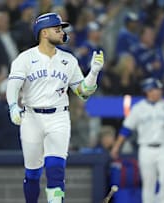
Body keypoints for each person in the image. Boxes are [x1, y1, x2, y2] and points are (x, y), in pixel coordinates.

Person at [6, 12, 104, 203]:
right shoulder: (25, 58)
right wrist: (12, 106)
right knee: (33, 172)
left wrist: (93, 73)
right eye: (57, 29)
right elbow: (13, 85)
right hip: (32, 117)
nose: (62, 33)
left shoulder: (69, 60)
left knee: (56, 169)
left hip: (58, 117)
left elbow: (83, 92)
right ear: (43, 33)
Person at [110, 78, 164, 203]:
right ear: (147, 91)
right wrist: (116, 147)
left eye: (158, 89)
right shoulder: (138, 108)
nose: (158, 92)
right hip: (146, 148)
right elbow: (126, 129)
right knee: (148, 182)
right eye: (154, 89)